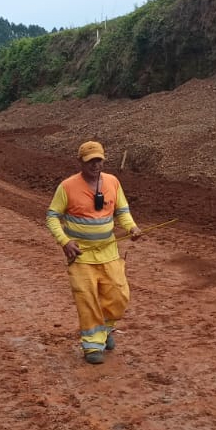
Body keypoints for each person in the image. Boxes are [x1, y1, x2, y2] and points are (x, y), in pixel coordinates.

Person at [45, 140, 142, 364]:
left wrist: (132, 227)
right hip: (81, 257)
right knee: (87, 300)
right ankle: (92, 346)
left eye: (99, 160)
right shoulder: (67, 187)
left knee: (119, 296)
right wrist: (65, 241)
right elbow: (52, 217)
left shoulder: (113, 182)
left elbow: (122, 211)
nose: (95, 165)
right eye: (90, 161)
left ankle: (105, 330)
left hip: (109, 253)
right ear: (80, 162)